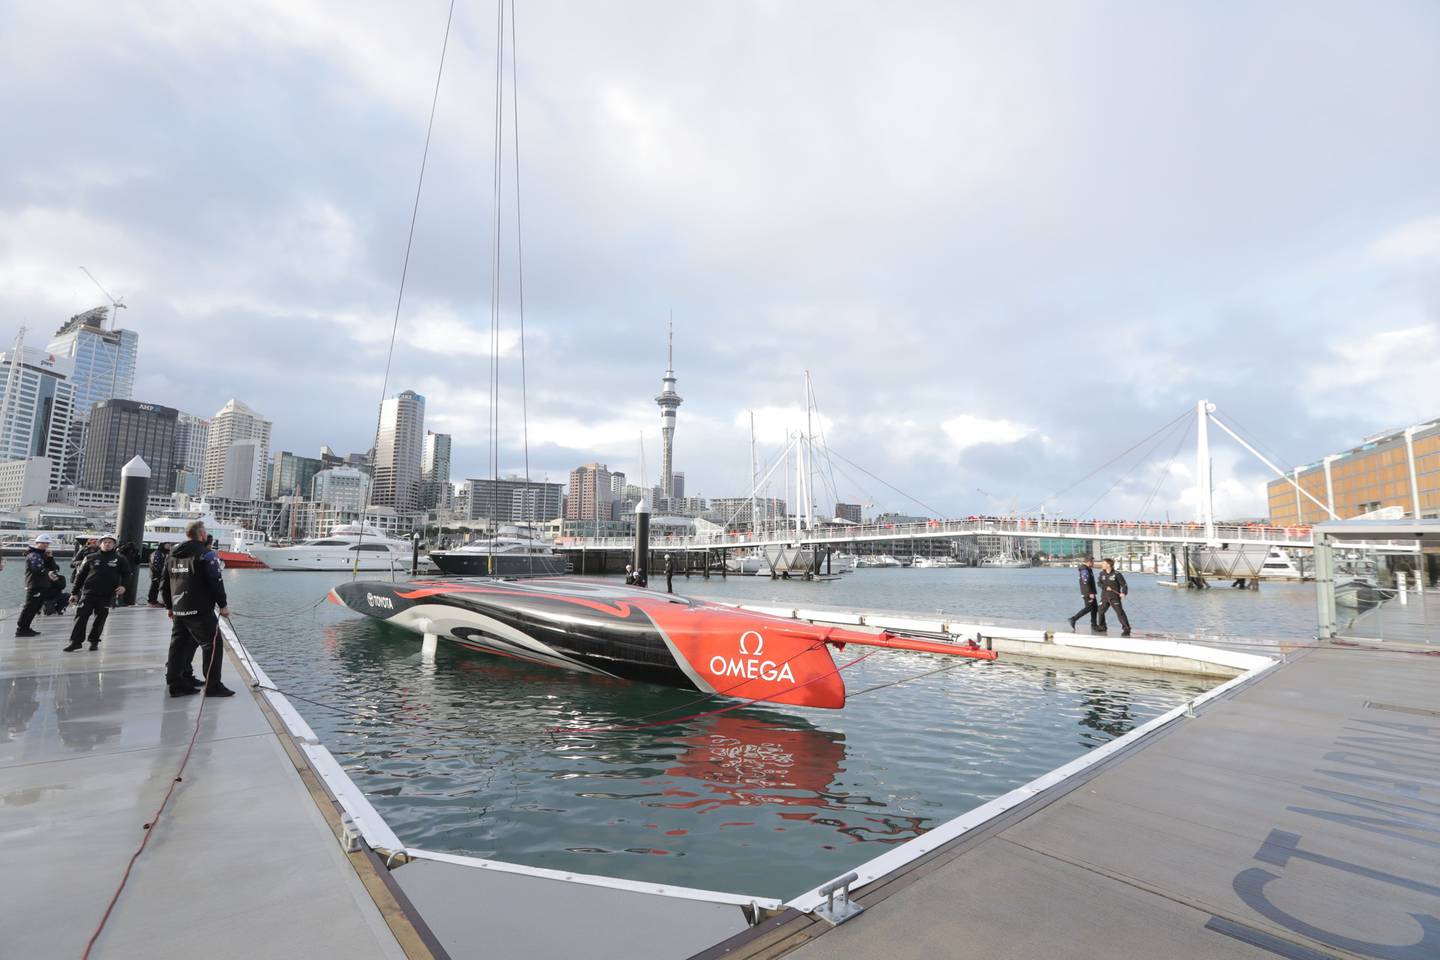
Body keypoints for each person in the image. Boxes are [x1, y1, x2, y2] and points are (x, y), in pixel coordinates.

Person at [161, 520, 234, 698]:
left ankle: (176, 683)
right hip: (199, 609)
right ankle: (213, 685)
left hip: (179, 608)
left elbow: (164, 582)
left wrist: (169, 606)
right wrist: (223, 605)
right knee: (213, 644)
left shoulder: (172, 554)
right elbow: (216, 581)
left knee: (178, 645)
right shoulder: (206, 555)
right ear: (201, 535)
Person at [65, 534, 132, 652]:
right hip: (88, 593)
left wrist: (123, 586)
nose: (107, 544)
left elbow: (127, 574)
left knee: (100, 619)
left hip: (107, 595)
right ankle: (75, 642)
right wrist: (74, 593)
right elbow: (80, 576)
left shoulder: (120, 559)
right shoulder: (90, 557)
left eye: (110, 542)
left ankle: (94, 641)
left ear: (114, 545)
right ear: (100, 544)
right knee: (81, 617)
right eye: (105, 542)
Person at [16, 535, 62, 637]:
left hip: (42, 585)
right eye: (43, 543)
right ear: (37, 543)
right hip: (34, 585)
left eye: (47, 543)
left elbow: (54, 569)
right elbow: (37, 569)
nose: (46, 545)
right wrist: (48, 572)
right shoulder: (34, 555)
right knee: (30, 607)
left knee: (35, 607)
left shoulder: (42, 555)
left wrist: (50, 558)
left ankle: (26, 627)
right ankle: (21, 628)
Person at [1096, 558, 1132, 637]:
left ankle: (1126, 629)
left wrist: (1123, 592)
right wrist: (1105, 587)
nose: (1102, 565)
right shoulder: (1102, 573)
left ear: (1108, 565)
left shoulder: (1117, 574)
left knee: (1120, 613)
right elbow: (1099, 583)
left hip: (1114, 597)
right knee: (1100, 611)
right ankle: (1102, 627)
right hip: (1104, 597)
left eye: (1104, 563)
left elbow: (1124, 585)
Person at [1067, 557, 1099, 631]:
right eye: (1093, 562)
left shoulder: (1087, 569)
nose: (1093, 563)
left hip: (1090, 592)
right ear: (1089, 562)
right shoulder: (1085, 570)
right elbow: (1085, 582)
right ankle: (1073, 618)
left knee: (1094, 608)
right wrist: (1090, 593)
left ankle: (1094, 625)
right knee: (1089, 608)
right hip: (1088, 593)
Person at [147, 542, 171, 606]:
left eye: (169, 545)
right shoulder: (157, 553)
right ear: (163, 545)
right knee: (155, 587)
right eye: (167, 545)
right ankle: (151, 601)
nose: (169, 546)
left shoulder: (167, 553)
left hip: (163, 574)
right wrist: (160, 572)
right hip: (156, 574)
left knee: (163, 587)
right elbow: (154, 564)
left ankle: (165, 601)